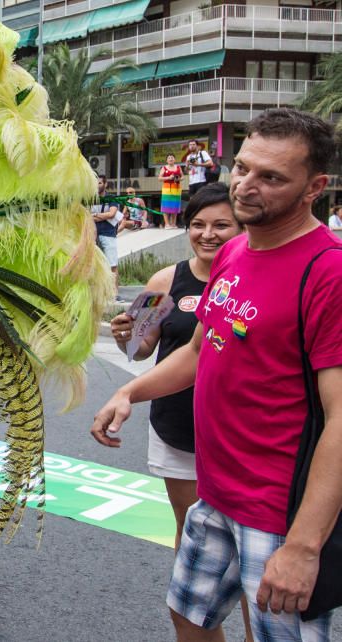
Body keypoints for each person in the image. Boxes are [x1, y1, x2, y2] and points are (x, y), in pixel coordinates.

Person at [92, 108, 342, 641]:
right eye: (244, 168)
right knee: (189, 617)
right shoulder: (232, 253)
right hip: (215, 491)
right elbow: (202, 351)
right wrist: (130, 391)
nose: (247, 186)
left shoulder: (329, 273)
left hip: (279, 511)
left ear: (314, 187)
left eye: (271, 177)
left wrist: (303, 545)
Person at [106, 184, 253, 641]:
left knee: (253, 554)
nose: (207, 235)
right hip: (177, 427)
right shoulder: (165, 281)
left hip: (243, 435)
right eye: (198, 225)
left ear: (241, 227)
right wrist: (124, 334)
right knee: (192, 531)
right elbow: (139, 347)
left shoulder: (251, 276)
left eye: (221, 225)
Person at [91, 175, 122, 301]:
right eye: (96, 183)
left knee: (112, 264)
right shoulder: (90, 198)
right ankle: (97, 293)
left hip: (108, 233)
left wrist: (96, 215)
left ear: (105, 184)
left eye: (99, 183)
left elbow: (112, 214)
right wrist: (104, 216)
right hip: (93, 234)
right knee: (94, 265)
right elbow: (87, 215)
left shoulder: (111, 198)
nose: (97, 185)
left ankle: (114, 293)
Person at [159, 154, 184, 229]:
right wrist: (168, 177)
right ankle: (167, 224)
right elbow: (159, 178)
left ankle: (173, 223)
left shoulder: (178, 167)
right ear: (166, 160)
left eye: (172, 157)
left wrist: (179, 179)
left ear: (175, 160)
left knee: (175, 206)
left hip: (176, 188)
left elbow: (183, 176)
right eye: (169, 158)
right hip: (167, 188)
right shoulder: (164, 168)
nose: (170, 159)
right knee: (166, 206)